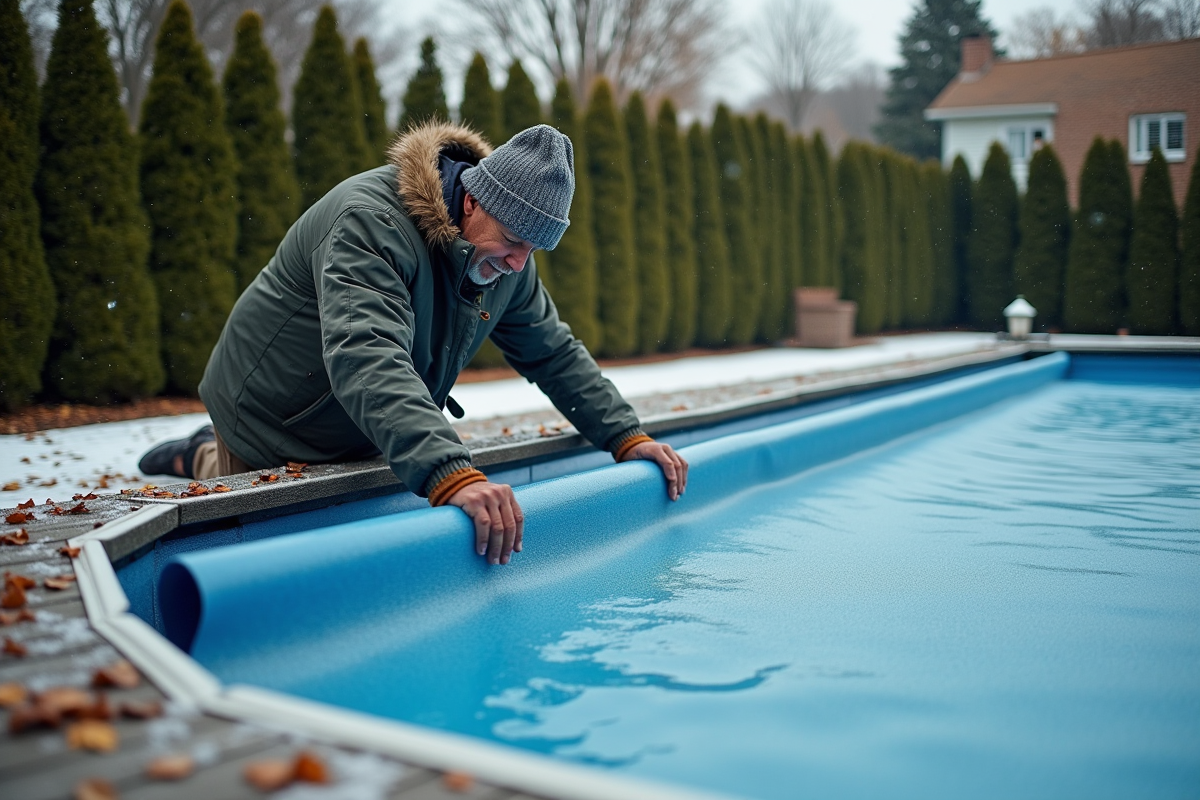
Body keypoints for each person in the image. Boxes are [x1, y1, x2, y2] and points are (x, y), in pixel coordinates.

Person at [139, 121, 688, 566]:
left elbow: (552, 351)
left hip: (362, 420)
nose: (520, 263)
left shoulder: (506, 261)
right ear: (473, 202)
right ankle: (201, 453)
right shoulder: (370, 222)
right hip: (273, 417)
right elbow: (367, 355)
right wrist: (452, 470)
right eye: (514, 242)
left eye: (536, 249)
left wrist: (626, 434)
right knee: (248, 524)